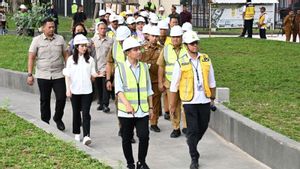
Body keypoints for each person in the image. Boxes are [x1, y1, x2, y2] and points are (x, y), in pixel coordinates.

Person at [170, 31, 216, 169]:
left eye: (196, 43)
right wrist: (172, 105)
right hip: (189, 101)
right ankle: (194, 157)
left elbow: (212, 80)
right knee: (193, 129)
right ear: (186, 45)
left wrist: (212, 98)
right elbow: (174, 85)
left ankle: (191, 142)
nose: (195, 45)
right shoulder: (181, 62)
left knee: (203, 126)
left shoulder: (206, 59)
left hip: (204, 100)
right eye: (192, 43)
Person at [115, 36, 153, 169]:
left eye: (139, 49)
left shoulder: (144, 67)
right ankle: (130, 163)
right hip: (126, 111)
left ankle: (141, 162)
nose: (139, 52)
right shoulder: (120, 68)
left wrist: (151, 107)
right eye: (136, 50)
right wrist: (127, 104)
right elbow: (119, 90)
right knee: (127, 138)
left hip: (142, 109)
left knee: (144, 136)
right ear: (128, 52)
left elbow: (149, 89)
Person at [27, 17, 68, 131]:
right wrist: (30, 75)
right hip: (43, 75)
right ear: (43, 28)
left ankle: (58, 118)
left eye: (53, 27)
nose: (52, 29)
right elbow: (31, 57)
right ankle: (45, 122)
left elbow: (66, 55)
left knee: (61, 98)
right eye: (49, 27)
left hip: (58, 74)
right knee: (45, 99)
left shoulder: (60, 39)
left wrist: (68, 70)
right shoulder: (37, 40)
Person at [63, 34, 99, 146]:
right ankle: (77, 133)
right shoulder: (70, 60)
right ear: (77, 47)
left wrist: (98, 75)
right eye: (82, 46)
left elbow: (93, 72)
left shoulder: (91, 60)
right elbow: (67, 75)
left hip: (87, 91)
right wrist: (68, 89)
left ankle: (87, 135)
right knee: (76, 113)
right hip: (74, 91)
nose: (84, 48)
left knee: (86, 113)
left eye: (85, 46)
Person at [157, 25, 187, 138]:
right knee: (173, 106)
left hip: (184, 83)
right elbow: (161, 66)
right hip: (170, 83)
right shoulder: (166, 49)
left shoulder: (187, 48)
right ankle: (175, 128)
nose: (175, 39)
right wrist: (160, 82)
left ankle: (186, 127)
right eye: (173, 37)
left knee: (185, 106)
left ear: (181, 37)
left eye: (178, 37)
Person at [140, 26, 163, 132]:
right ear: (148, 36)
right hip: (143, 79)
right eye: (153, 36)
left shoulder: (161, 49)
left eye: (156, 36)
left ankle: (154, 122)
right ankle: (143, 120)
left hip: (155, 79)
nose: (155, 38)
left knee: (156, 101)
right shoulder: (141, 48)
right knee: (143, 101)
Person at [91, 21, 114, 112]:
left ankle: (105, 104)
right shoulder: (93, 41)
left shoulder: (110, 41)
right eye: (101, 28)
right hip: (96, 67)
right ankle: (101, 103)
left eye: (104, 28)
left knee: (106, 87)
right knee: (98, 86)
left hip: (106, 67)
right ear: (97, 29)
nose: (103, 30)